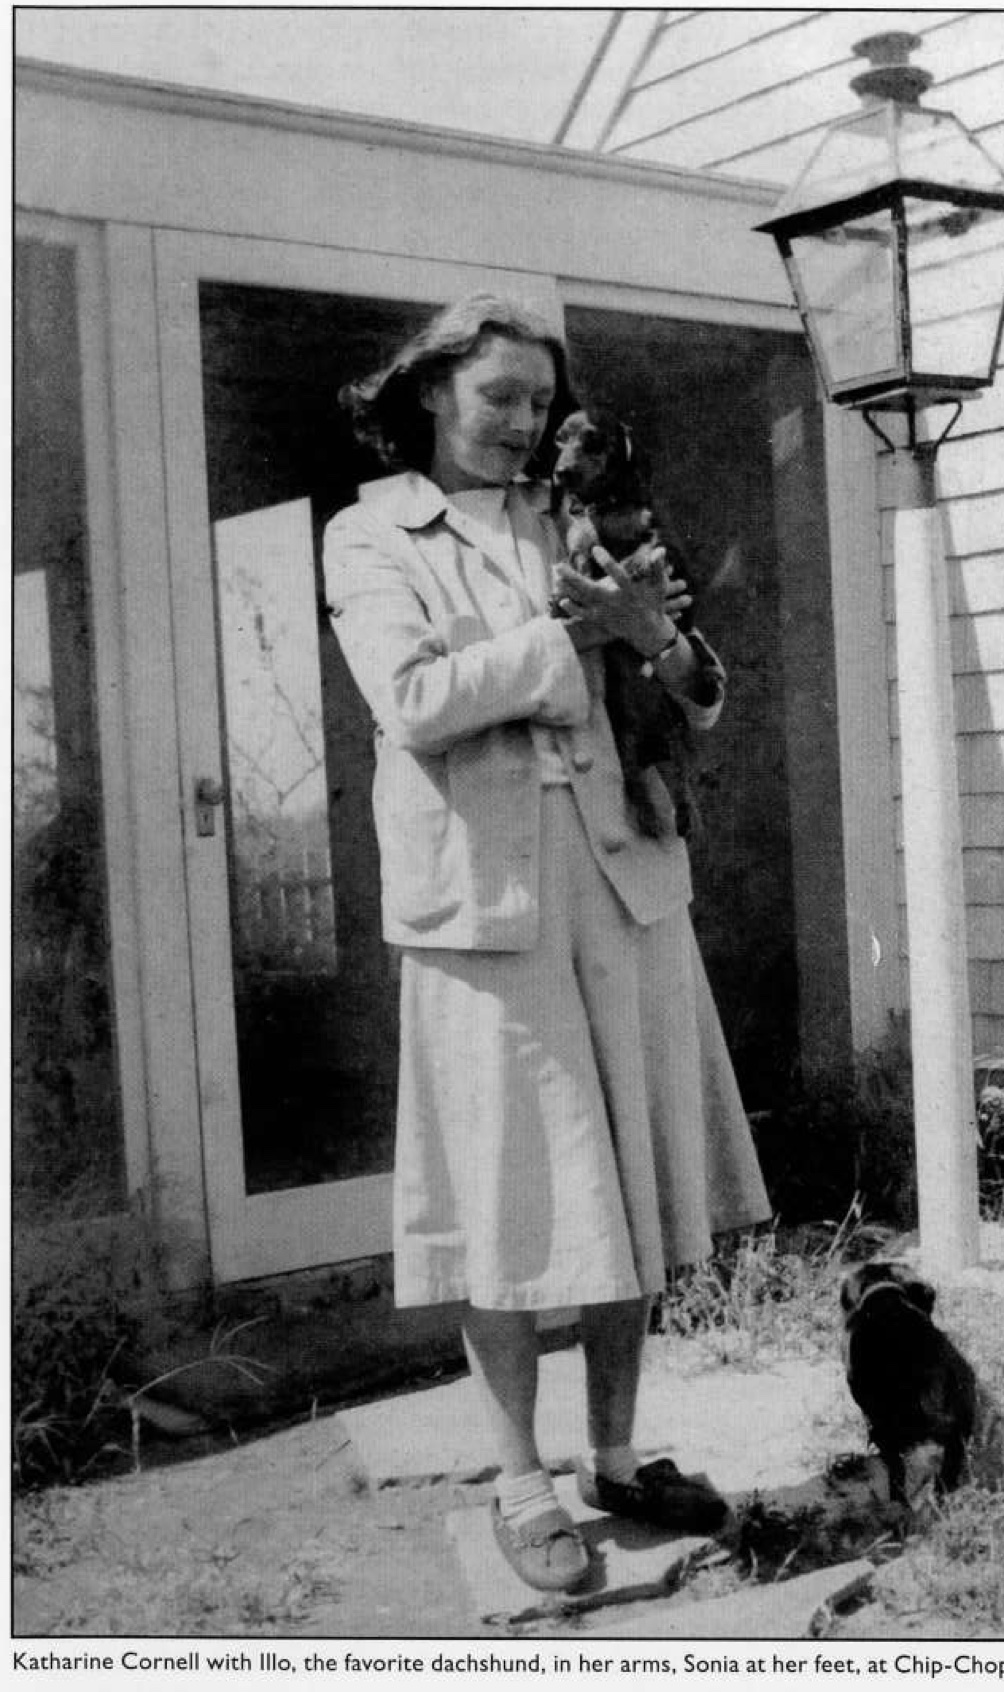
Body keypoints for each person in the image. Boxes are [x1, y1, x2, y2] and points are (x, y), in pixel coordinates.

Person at [324, 294, 770, 1593]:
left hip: (624, 882)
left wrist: (654, 636)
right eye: (498, 396)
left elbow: (700, 693)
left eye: (539, 400)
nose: (523, 422)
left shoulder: (582, 513)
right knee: (507, 1199)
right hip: (482, 902)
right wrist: (574, 633)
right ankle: (522, 1480)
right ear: (430, 392)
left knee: (625, 1183)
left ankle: (616, 1457)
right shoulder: (372, 534)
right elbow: (413, 699)